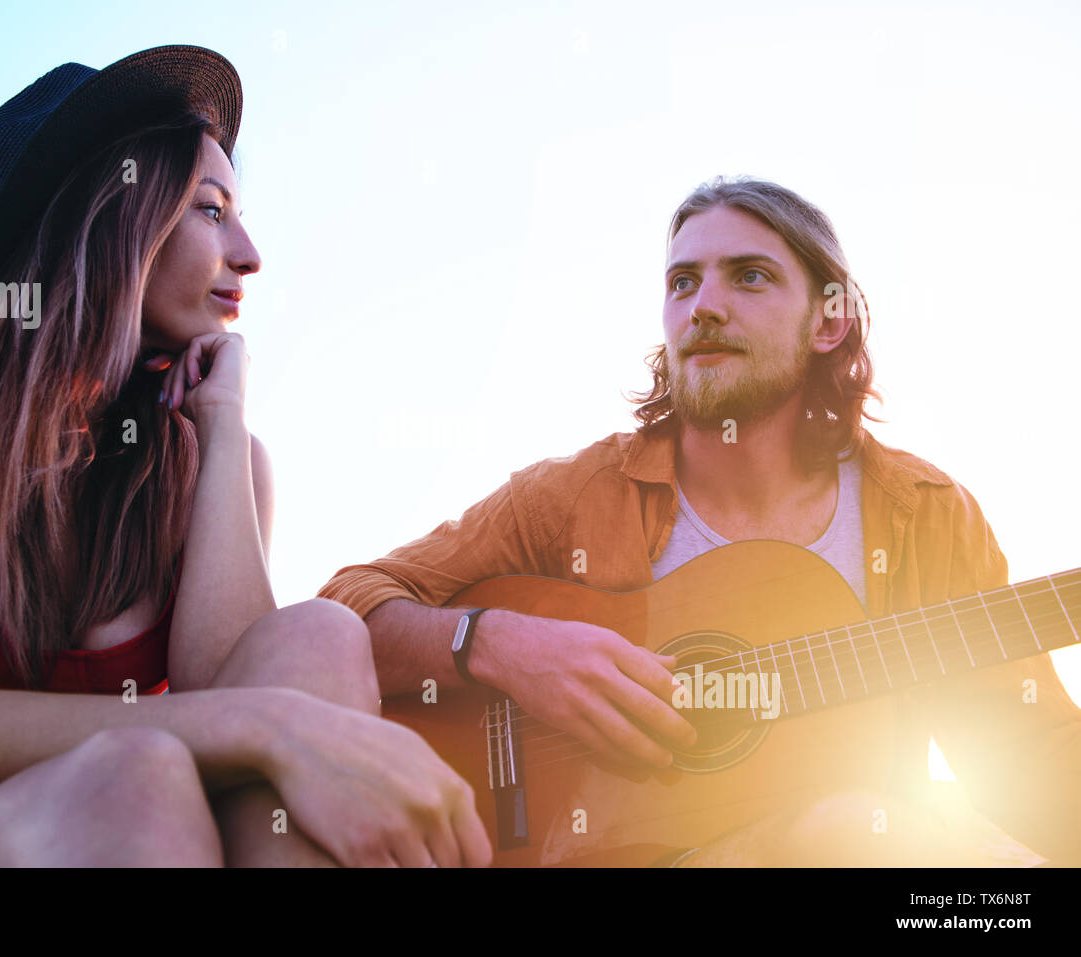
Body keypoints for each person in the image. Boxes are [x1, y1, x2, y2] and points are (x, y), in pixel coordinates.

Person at [0, 45, 490, 868]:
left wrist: (223, 429)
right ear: (112, 222)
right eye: (212, 210)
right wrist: (267, 726)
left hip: (153, 841)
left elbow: (233, 684)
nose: (252, 253)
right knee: (136, 775)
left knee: (321, 638)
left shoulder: (217, 459)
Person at [318, 177, 1081, 867]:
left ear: (828, 322)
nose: (703, 305)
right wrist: (502, 645)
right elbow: (347, 604)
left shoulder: (923, 517)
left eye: (749, 276)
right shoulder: (575, 495)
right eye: (683, 282)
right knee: (853, 826)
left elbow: (1033, 751)